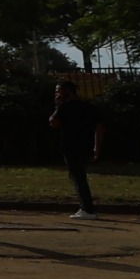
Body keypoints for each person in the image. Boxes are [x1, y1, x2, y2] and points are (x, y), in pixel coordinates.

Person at [50, 80, 104, 221]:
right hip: (86, 146)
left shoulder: (65, 107)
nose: (56, 94)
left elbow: (54, 123)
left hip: (71, 146)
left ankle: (87, 208)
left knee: (78, 177)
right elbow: (99, 128)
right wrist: (96, 148)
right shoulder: (89, 107)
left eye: (58, 91)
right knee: (79, 176)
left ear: (65, 92)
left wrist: (57, 106)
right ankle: (86, 207)